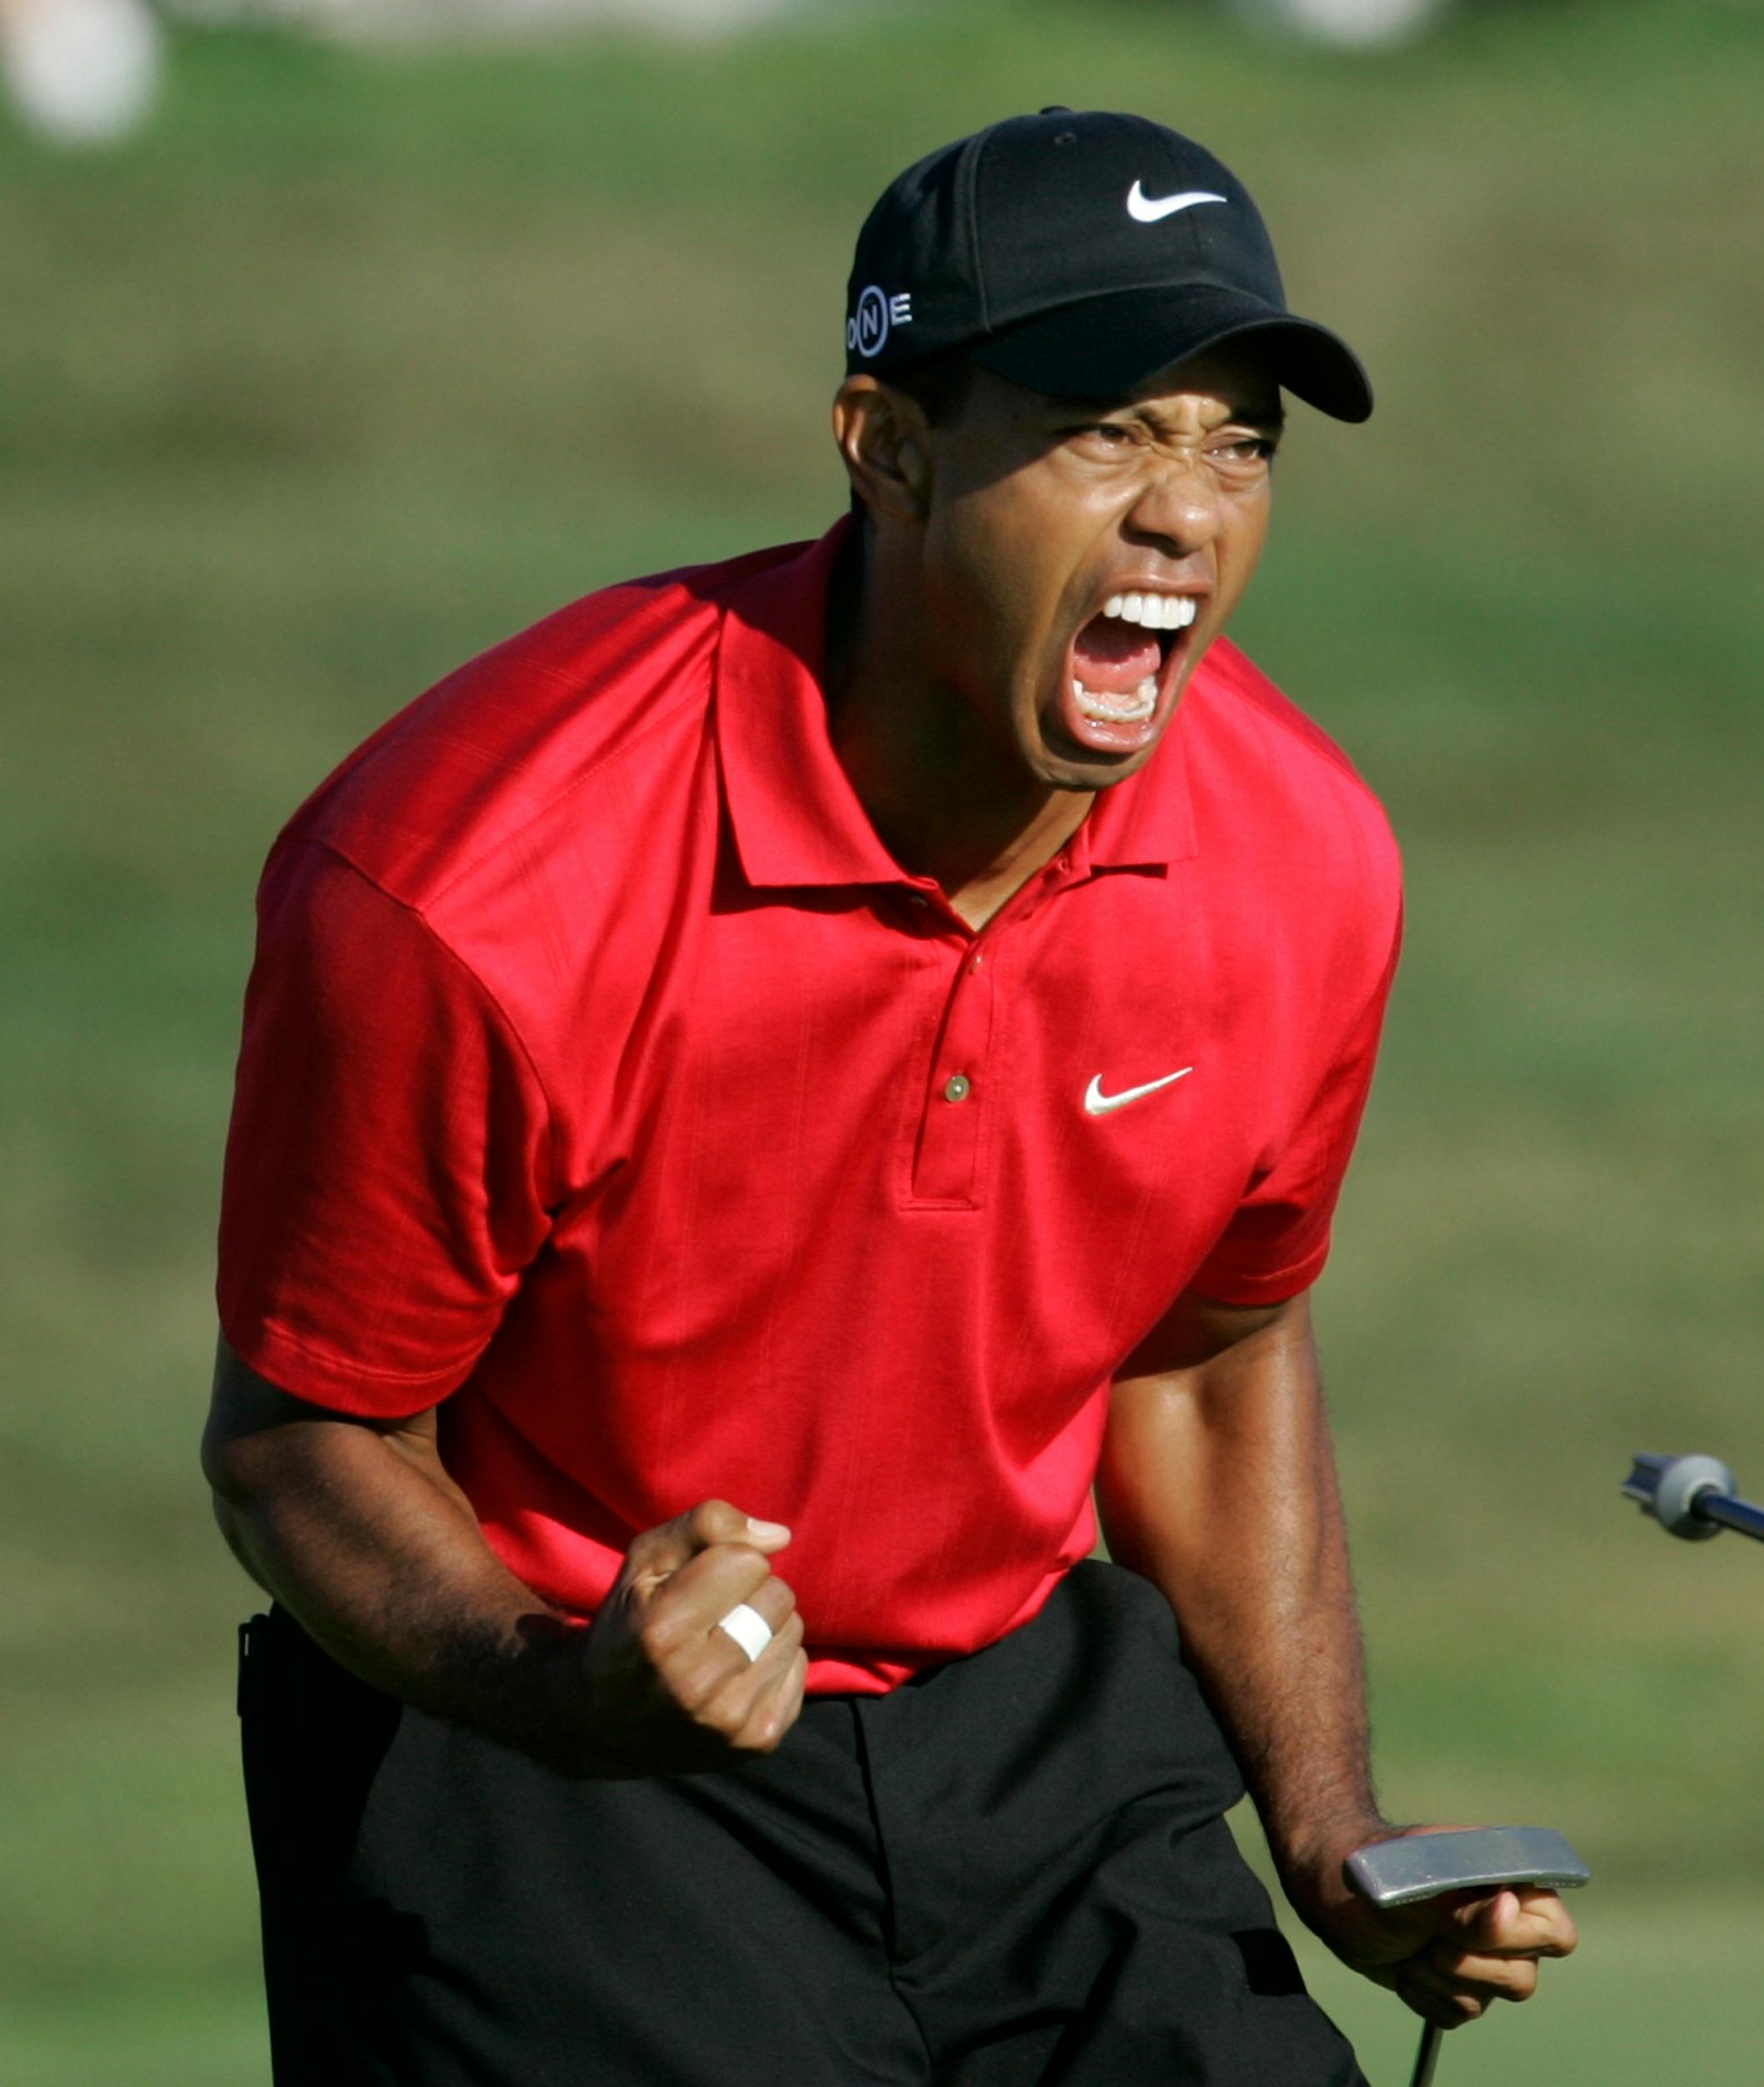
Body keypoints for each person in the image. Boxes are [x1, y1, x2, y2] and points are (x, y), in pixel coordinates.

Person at [204, 108, 1577, 2086]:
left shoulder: (1303, 857)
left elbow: (1204, 1362)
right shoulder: (475, 884)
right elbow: (300, 1441)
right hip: (542, 1760)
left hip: (1031, 1728)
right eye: (1110, 427)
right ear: (891, 445)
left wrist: (1333, 1820)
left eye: (1237, 438)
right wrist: (573, 1682)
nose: (1188, 509)